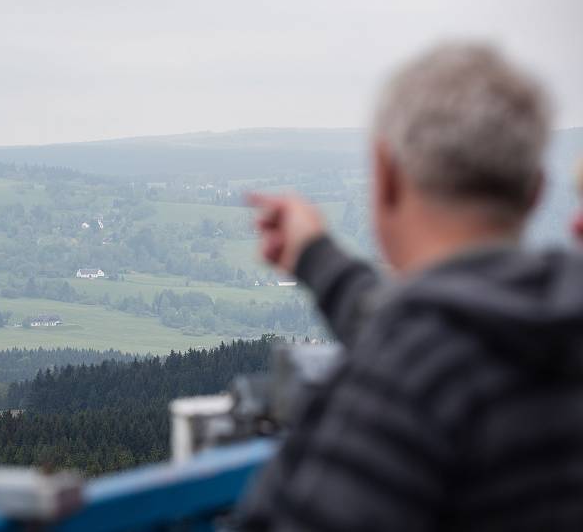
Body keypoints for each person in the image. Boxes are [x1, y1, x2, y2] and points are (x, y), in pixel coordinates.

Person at [238, 43, 583, 531]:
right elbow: (428, 320)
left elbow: (416, 344)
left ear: (386, 175)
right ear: (535, 193)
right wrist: (313, 254)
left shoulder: (402, 383)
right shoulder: (552, 321)